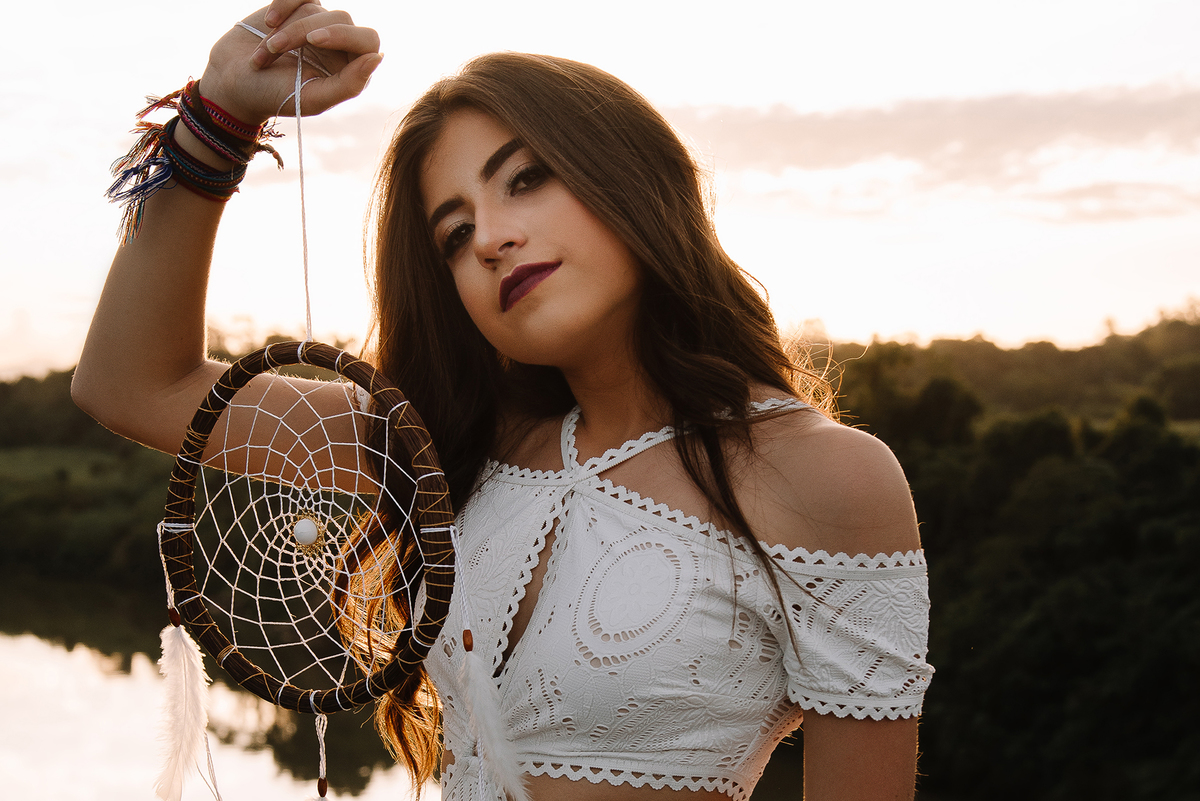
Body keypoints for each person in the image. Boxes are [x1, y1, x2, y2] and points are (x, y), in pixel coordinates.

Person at [72, 2, 933, 799]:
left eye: (524, 180)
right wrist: (219, 117)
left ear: (630, 174)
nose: (489, 237)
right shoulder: (447, 449)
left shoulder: (825, 478)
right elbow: (130, 383)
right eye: (454, 232)